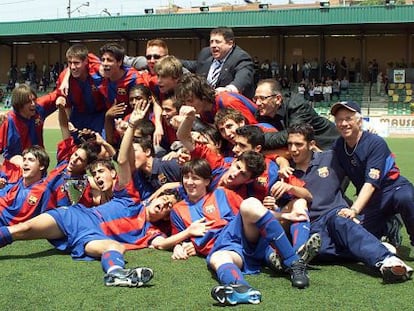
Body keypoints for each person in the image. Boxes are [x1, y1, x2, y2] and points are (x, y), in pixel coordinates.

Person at [280, 123, 413, 283]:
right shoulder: (286, 174)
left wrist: (366, 137)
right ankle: (379, 244)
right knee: (316, 250)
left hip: (336, 216)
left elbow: (357, 153)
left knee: (340, 221)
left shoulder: (330, 158)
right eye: (290, 144)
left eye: (299, 144)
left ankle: (387, 261)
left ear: (312, 145)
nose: (293, 149)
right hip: (312, 225)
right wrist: (282, 161)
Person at [170, 159, 309, 306]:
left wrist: (285, 216)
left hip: (241, 234)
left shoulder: (222, 193)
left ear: (206, 181)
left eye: (195, 178)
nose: (189, 182)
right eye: (186, 177)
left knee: (250, 203)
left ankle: (294, 262)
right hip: (224, 248)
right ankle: (241, 289)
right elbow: (176, 239)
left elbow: (251, 213)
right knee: (217, 258)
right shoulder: (178, 210)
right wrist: (180, 243)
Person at [330, 101, 414, 251]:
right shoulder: (338, 146)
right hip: (372, 200)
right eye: (339, 120)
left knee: (406, 198)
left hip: (393, 188)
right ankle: (389, 227)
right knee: (357, 234)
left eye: (348, 118)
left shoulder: (375, 142)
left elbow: (371, 183)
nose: (343, 123)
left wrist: (354, 210)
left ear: (359, 121)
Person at [253, 78, 339, 151]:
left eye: (262, 98)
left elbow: (293, 135)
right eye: (256, 98)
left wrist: (257, 139)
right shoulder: (261, 112)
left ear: (278, 99)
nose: (257, 103)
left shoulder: (298, 105)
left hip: (329, 145)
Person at [181, 27, 255, 99]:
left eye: (217, 42)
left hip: (229, 105)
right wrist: (173, 61)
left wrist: (228, 89)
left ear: (230, 43)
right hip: (205, 103)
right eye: (211, 42)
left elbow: (243, 78)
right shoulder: (206, 53)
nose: (213, 45)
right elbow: (195, 65)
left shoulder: (240, 57)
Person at [174, 73, 258, 125]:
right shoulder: (204, 111)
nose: (188, 105)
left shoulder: (227, 101)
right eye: (185, 102)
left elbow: (253, 127)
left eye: (190, 101)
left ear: (203, 96)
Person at [0, 146, 52, 226]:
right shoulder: (16, 180)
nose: (25, 163)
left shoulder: (43, 190)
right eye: (24, 159)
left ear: (41, 166)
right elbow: (15, 158)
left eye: (31, 160)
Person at [0, 84, 56, 159]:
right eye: (28, 102)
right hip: (15, 167)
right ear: (19, 104)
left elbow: (60, 92)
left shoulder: (39, 108)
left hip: (37, 165)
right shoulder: (8, 121)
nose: (33, 104)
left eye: (34, 100)